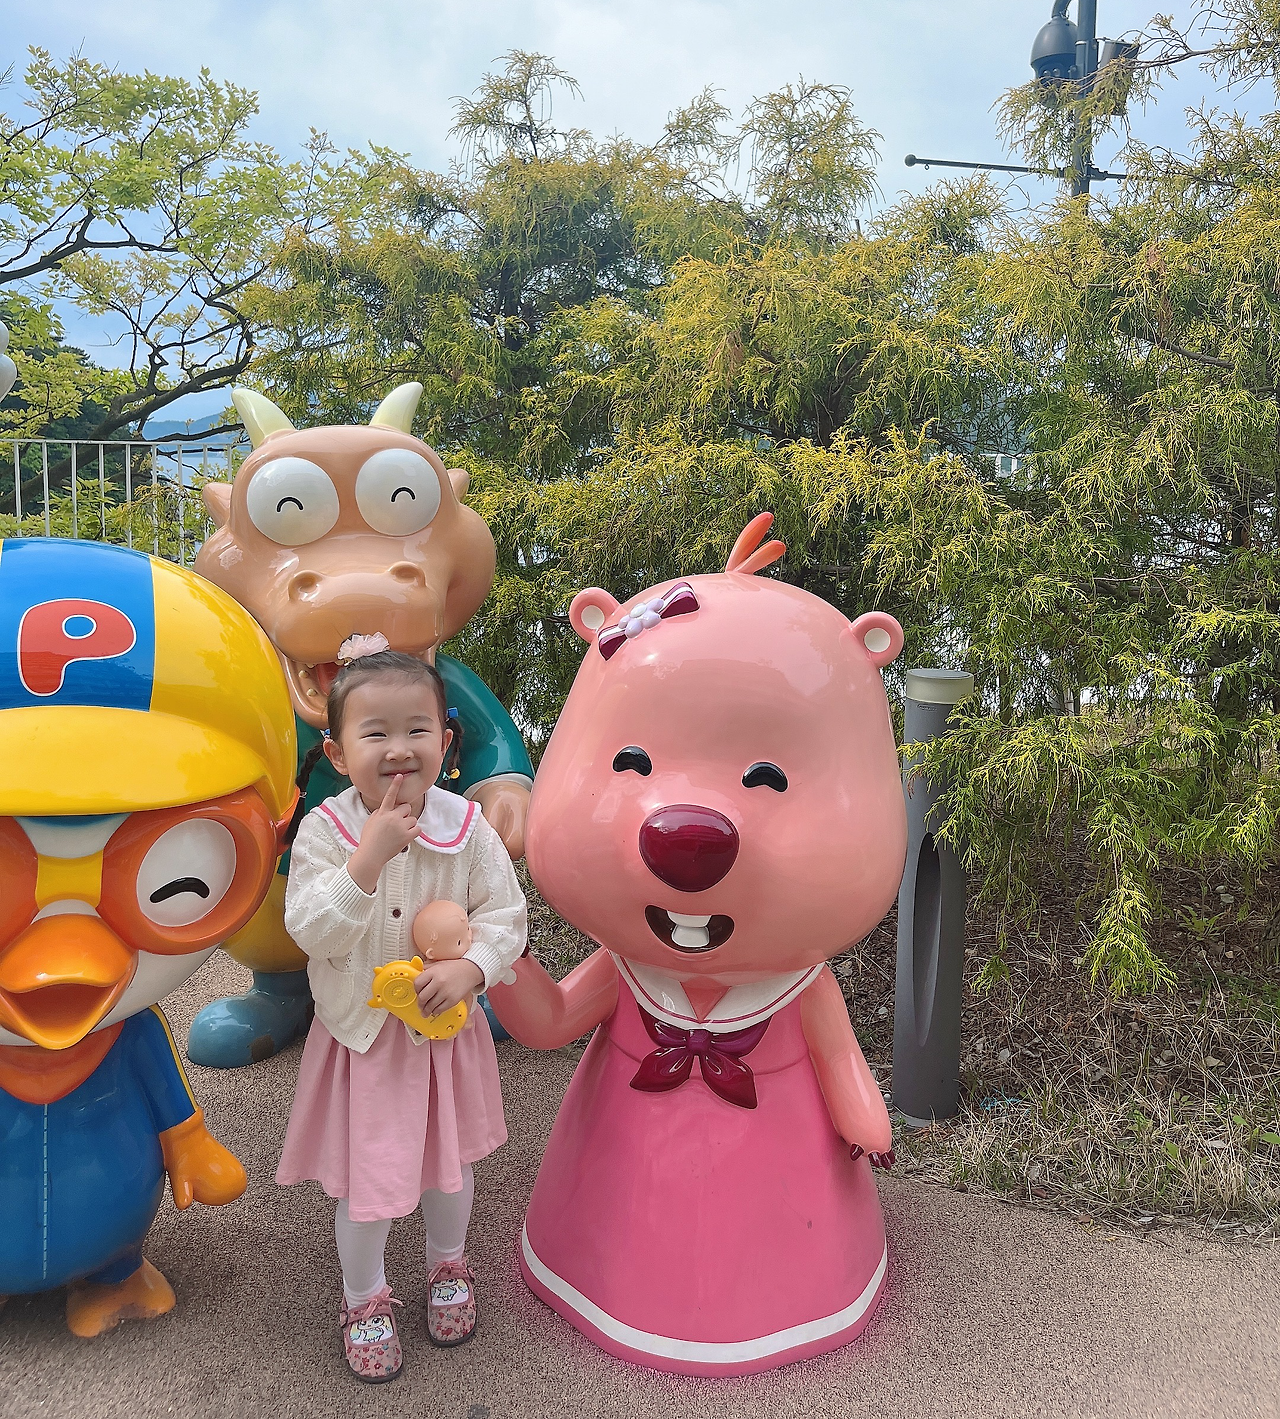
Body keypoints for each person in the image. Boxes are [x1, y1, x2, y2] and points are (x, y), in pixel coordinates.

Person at [276, 643, 526, 1383]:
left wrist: (473, 967)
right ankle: (364, 1297)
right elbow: (311, 930)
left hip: (444, 1039)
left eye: (416, 729)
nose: (398, 748)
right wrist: (367, 860)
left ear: (446, 742)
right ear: (336, 751)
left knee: (449, 1170)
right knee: (370, 1182)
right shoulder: (326, 831)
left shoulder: (467, 827)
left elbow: (506, 915)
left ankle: (448, 1261)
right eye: (374, 732)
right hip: (364, 1041)